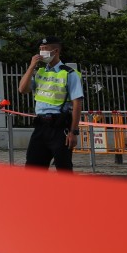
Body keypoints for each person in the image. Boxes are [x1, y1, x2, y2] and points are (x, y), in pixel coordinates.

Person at [19, 36, 84, 171]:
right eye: (40, 49)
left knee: (63, 168)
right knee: (33, 168)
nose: (41, 52)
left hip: (60, 128)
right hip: (41, 126)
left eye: (45, 49)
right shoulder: (39, 72)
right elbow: (22, 89)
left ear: (55, 51)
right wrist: (31, 67)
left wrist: (73, 131)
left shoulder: (69, 73)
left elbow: (77, 103)